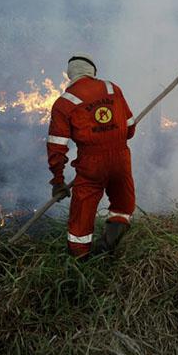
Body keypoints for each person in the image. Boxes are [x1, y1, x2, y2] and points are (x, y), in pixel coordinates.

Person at [46, 53, 136, 258]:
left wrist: (58, 181)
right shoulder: (113, 89)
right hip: (121, 159)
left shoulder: (64, 103)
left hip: (91, 165)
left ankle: (80, 260)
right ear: (92, 71)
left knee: (82, 216)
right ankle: (108, 247)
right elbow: (130, 129)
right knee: (123, 206)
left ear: (70, 75)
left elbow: (57, 147)